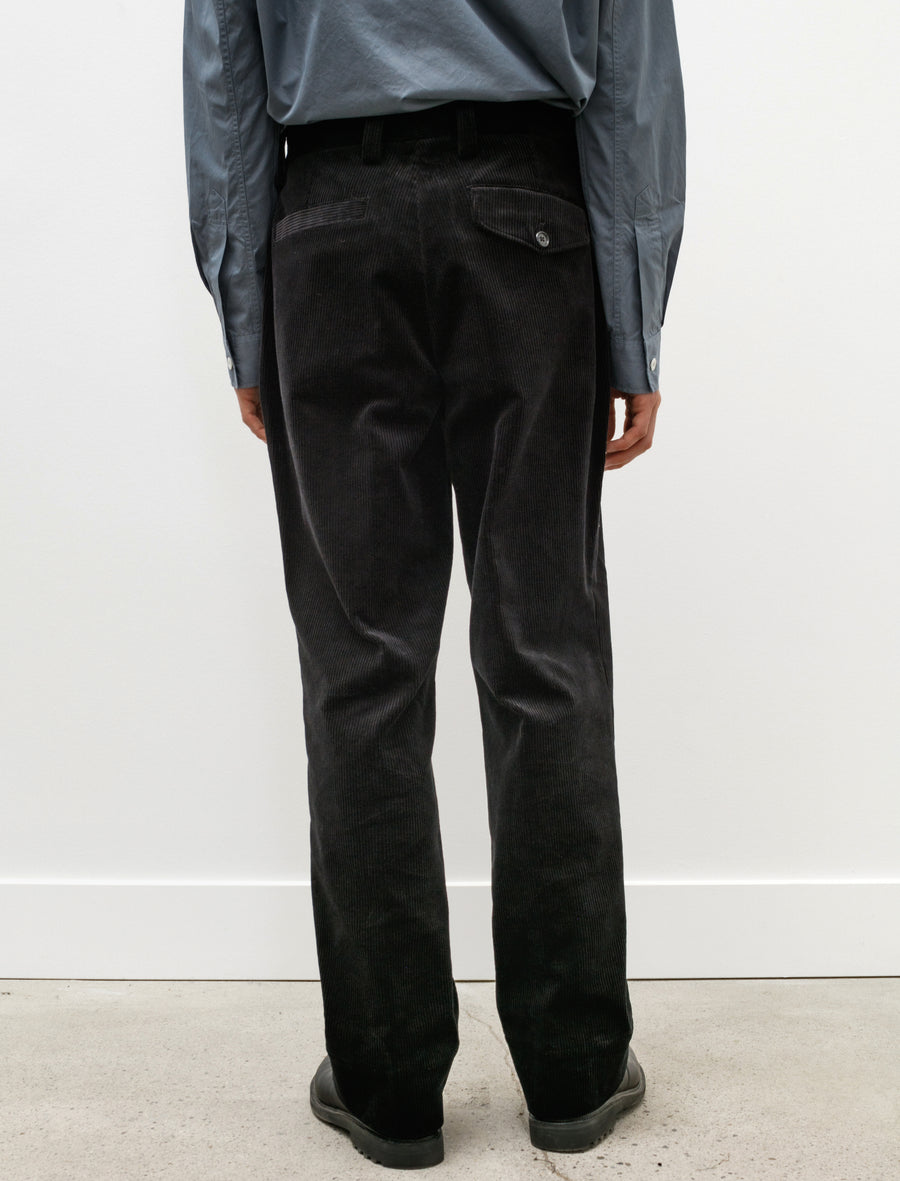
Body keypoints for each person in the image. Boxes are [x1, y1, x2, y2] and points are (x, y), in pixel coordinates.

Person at [183, 0, 686, 1169]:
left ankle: (388, 1080)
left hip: (329, 233)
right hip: (529, 224)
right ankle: (573, 1067)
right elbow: (628, 75)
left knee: (362, 670)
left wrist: (248, 313)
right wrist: (633, 318)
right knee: (546, 653)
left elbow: (226, 78)